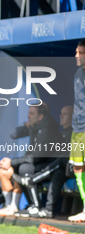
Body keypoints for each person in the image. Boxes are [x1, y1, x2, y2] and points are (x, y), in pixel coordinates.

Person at [12, 105, 73, 218]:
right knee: (24, 168)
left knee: (59, 168)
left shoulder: (54, 130)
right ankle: (32, 205)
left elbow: (41, 156)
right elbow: (14, 134)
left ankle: (35, 185)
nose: (60, 116)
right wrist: (26, 125)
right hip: (54, 166)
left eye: (65, 114)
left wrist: (12, 162)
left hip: (68, 168)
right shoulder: (58, 132)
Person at [68, 40, 85, 222]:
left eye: (81, 53)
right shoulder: (76, 74)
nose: (77, 56)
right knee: (78, 167)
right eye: (76, 52)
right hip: (77, 128)